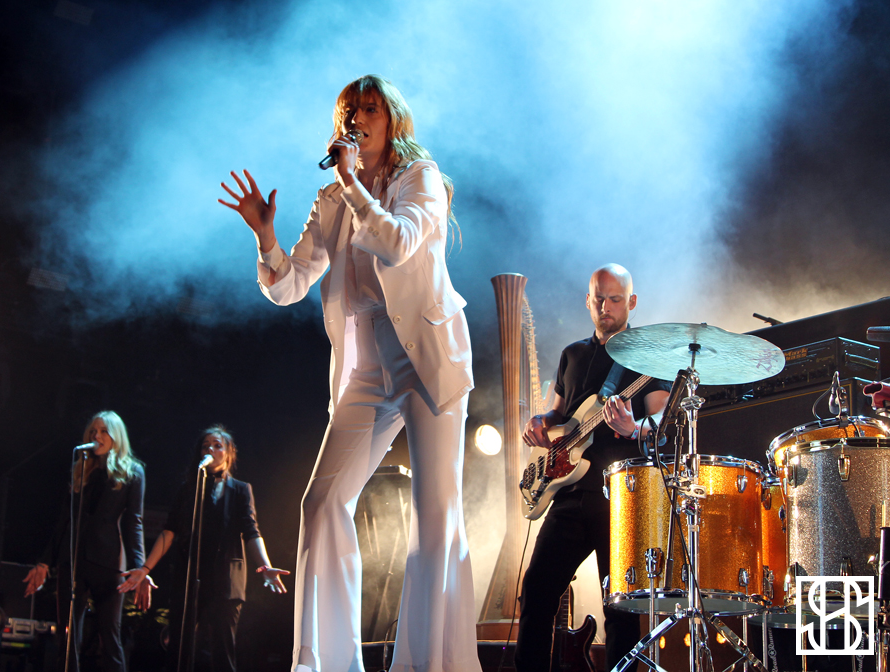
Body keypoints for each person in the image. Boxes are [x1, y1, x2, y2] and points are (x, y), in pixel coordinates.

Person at [217, 74, 480, 672]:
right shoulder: (332, 199)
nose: (359, 118)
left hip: (427, 355)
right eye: (350, 111)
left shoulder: (421, 178)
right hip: (365, 365)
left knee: (435, 515)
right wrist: (265, 236)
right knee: (322, 501)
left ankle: (429, 665)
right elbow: (289, 285)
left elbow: (398, 242)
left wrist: (353, 183)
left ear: (392, 120)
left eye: (370, 108)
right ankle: (325, 662)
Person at [516, 264, 671, 672]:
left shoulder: (647, 358)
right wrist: (538, 424)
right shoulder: (572, 354)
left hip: (618, 496)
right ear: (588, 300)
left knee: (618, 609)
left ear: (631, 302)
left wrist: (633, 427)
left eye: (615, 299)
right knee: (536, 591)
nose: (606, 306)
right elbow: (555, 415)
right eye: (598, 298)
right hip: (567, 492)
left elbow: (661, 427)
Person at [119, 425, 288, 672]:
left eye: (217, 445)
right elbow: (169, 531)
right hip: (189, 578)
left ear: (229, 454)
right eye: (205, 445)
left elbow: (251, 531)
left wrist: (265, 565)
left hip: (226, 581)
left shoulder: (240, 489)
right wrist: (145, 568)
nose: (210, 449)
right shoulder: (189, 489)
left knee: (223, 651)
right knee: (178, 650)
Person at [23, 410, 146, 672]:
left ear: (115, 437)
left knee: (110, 637)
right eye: (93, 431)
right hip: (74, 560)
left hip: (108, 562)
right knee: (67, 638)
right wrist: (45, 562)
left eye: (103, 431)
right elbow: (64, 521)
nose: (96, 436)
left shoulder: (132, 472)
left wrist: (139, 567)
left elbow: (134, 521)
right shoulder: (82, 470)